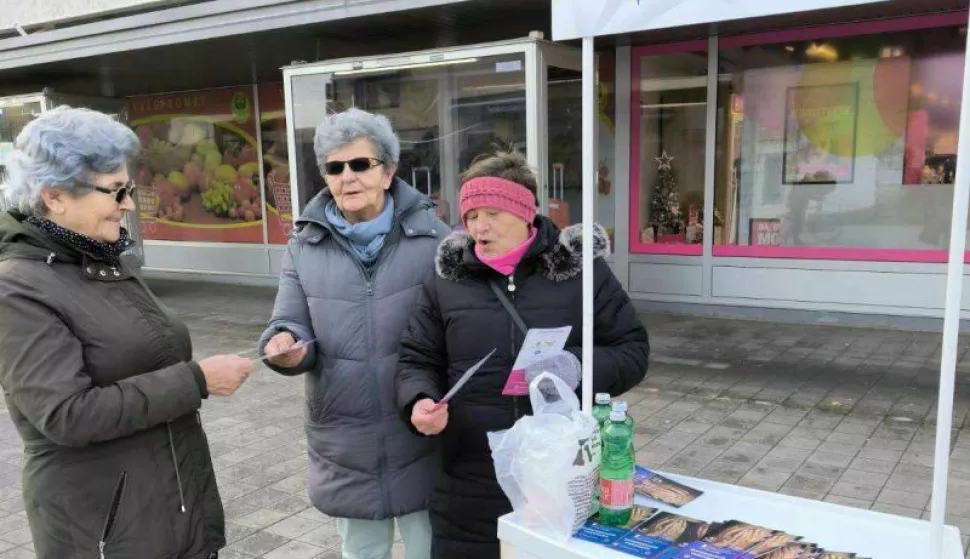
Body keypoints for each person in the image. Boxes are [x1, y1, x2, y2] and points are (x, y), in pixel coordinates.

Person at [0, 105, 254, 558]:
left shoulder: (105, 260)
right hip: (104, 532)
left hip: (171, 512)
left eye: (129, 188)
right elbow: (66, 415)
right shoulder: (16, 288)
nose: (129, 204)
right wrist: (196, 380)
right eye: (115, 191)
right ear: (55, 195)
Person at [395, 152, 651, 559]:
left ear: (526, 212)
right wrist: (419, 399)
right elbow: (416, 358)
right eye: (471, 214)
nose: (479, 226)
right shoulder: (446, 280)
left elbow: (633, 350)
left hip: (559, 473)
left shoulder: (581, 272)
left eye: (493, 212)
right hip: (468, 475)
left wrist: (575, 366)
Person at [258, 107, 448, 559]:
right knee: (362, 552)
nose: (348, 177)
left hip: (419, 424)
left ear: (388, 171)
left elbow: (458, 325)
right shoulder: (304, 245)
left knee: (432, 547)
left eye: (361, 164)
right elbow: (287, 320)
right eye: (335, 167)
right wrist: (284, 345)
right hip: (345, 434)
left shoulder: (435, 239)